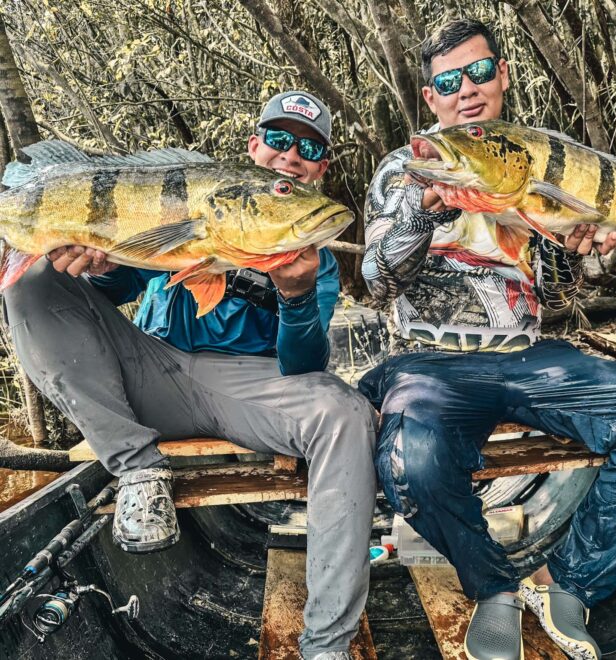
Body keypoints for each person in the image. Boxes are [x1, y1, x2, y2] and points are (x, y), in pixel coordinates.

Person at [359, 19, 616, 660]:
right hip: (431, 363)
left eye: (481, 71)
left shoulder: (541, 154)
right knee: (415, 465)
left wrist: (588, 248)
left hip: (530, 356)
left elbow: (570, 275)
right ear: (430, 97)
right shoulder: (408, 167)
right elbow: (375, 277)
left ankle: (565, 581)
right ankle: (492, 586)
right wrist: (425, 211)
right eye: (449, 81)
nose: (468, 90)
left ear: (503, 76)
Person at [4, 90, 377, 660]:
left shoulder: (315, 257)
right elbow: (103, 298)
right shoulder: (184, 202)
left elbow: (303, 368)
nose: (291, 155)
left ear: (321, 169)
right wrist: (95, 261)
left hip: (246, 389)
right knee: (32, 283)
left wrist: (296, 296)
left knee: (346, 413)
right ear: (254, 147)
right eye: (278, 139)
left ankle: (326, 644)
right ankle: (137, 470)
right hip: (150, 371)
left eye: (308, 147)